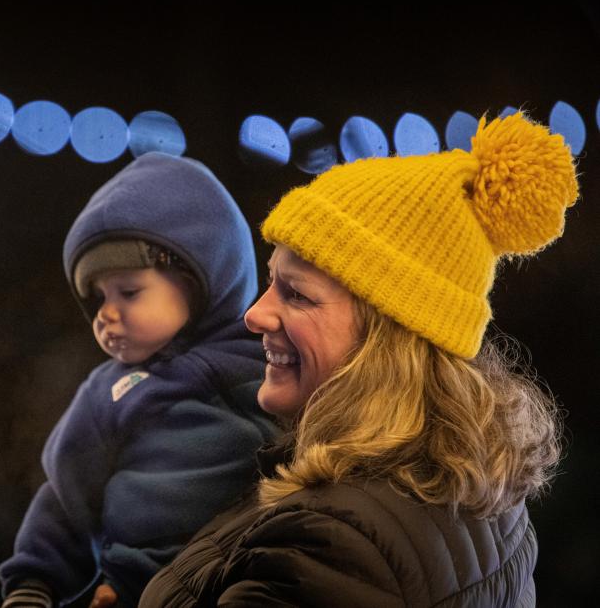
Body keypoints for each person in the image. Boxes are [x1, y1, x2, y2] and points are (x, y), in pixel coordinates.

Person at [139, 112, 578, 607]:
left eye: (297, 295)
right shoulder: (478, 485)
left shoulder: (330, 544)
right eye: (269, 282)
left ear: (389, 338)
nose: (256, 315)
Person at [0, 152, 280, 608]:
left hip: (254, 583)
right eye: (98, 298)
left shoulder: (272, 362)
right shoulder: (107, 392)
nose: (106, 314)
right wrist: (33, 584)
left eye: (128, 292)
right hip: (137, 593)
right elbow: (66, 497)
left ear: (199, 277)